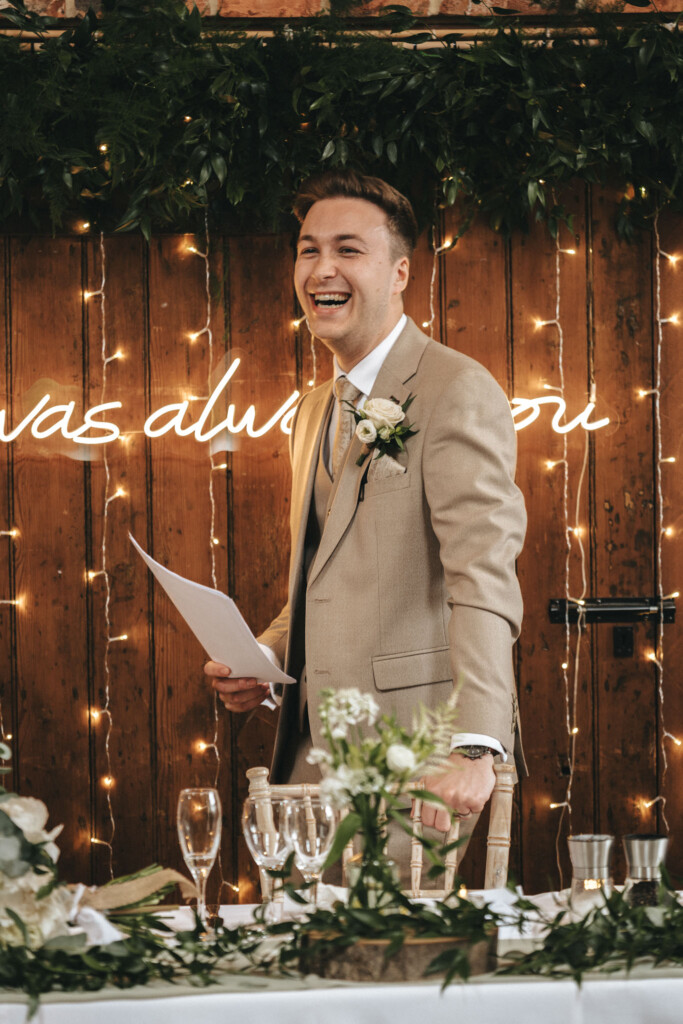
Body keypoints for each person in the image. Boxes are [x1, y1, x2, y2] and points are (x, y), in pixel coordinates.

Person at [205, 169, 526, 850]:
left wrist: (474, 745)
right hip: (304, 761)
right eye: (307, 249)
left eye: (348, 249)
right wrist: (262, 659)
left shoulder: (455, 388)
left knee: (390, 952)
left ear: (400, 271)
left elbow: (482, 573)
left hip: (416, 761)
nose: (322, 268)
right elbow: (321, 579)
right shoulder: (313, 409)